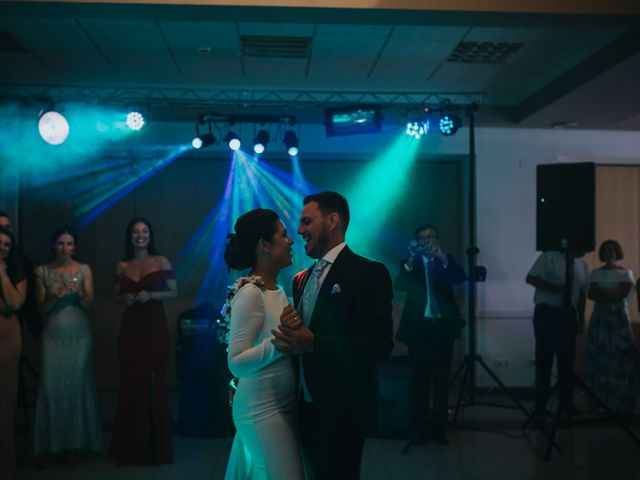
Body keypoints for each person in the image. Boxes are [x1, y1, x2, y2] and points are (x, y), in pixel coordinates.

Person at [272, 191, 394, 479]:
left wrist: (315, 342)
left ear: (332, 221)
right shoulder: (302, 279)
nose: (299, 230)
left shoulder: (368, 273)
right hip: (301, 406)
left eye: (306, 222)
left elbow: (379, 345)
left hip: (343, 410)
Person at [223, 208, 304, 480]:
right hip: (261, 409)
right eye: (283, 235)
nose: (291, 240)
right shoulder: (251, 293)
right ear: (264, 245)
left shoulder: (276, 288)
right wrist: (280, 341)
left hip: (281, 404)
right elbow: (236, 362)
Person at [109, 217, 178, 465]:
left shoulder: (161, 261)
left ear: (150, 235)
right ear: (130, 236)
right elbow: (115, 296)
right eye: (136, 232)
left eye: (144, 231)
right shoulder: (122, 265)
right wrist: (124, 299)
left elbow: (174, 291)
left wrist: (152, 294)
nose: (140, 235)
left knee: (155, 383)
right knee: (130, 383)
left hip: (154, 327)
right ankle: (129, 450)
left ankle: (155, 449)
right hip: (130, 328)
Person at [32, 225, 102, 462]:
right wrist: (56, 294)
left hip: (79, 333)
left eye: (70, 243)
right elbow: (40, 308)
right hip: (53, 334)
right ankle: (51, 445)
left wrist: (78, 294)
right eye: (61, 243)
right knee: (51, 386)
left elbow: (89, 304)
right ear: (53, 245)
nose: (65, 248)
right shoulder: (41, 271)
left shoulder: (84, 269)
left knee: (79, 384)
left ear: (75, 246)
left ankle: (81, 444)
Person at [395, 224, 467, 445]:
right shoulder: (411, 263)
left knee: (441, 381)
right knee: (420, 381)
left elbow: (459, 279)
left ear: (437, 240)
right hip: (419, 330)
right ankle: (419, 429)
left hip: (442, 329)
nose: (427, 241)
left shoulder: (447, 261)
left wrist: (443, 258)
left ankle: (439, 430)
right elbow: (399, 286)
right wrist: (408, 260)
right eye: (422, 238)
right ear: (417, 241)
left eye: (431, 237)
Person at [526, 250, 589, 419]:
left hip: (569, 314)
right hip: (547, 312)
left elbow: (583, 293)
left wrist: (581, 319)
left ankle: (566, 403)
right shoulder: (549, 257)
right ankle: (540, 406)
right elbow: (531, 278)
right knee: (544, 360)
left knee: (567, 360)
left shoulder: (581, 264)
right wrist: (554, 288)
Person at [584, 240, 638, 413]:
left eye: (612, 249)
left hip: (619, 318)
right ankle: (599, 402)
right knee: (599, 354)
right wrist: (609, 296)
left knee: (622, 355)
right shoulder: (595, 273)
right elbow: (591, 294)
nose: (609, 252)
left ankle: (622, 402)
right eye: (605, 250)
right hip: (600, 317)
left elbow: (622, 292)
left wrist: (603, 296)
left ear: (617, 251)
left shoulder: (625, 273)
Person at [0, 227, 26, 479]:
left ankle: (5, 466)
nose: (3, 247)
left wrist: (1, 273)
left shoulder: (16, 271)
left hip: (7, 336)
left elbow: (14, 304)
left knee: (5, 401)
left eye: (7, 244)